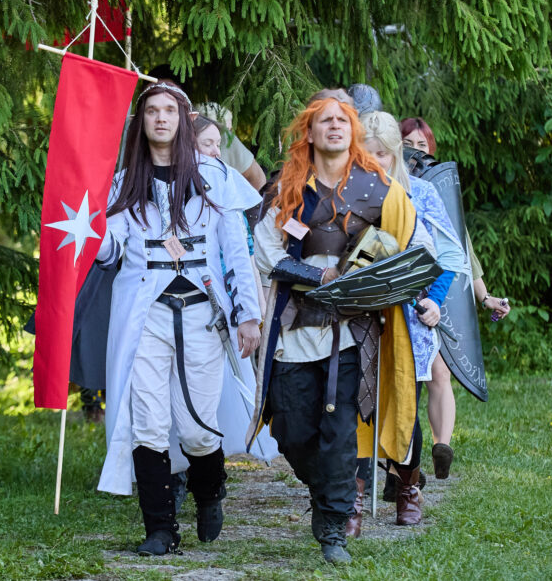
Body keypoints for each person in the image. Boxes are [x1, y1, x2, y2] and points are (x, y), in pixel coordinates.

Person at [249, 89, 431, 563]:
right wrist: (320, 278)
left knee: (338, 430)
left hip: (353, 332)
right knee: (290, 429)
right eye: (324, 120)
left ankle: (333, 527)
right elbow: (266, 251)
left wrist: (392, 285)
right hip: (296, 324)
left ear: (353, 131)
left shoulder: (381, 188)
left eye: (342, 120)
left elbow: (415, 247)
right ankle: (325, 491)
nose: (334, 126)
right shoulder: (287, 187)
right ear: (309, 132)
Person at [95, 80, 262, 556]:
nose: (161, 118)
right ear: (142, 121)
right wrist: (87, 229)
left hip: (201, 313)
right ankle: (160, 530)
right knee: (148, 422)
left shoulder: (214, 176)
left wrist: (248, 314)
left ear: (182, 120)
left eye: (169, 110)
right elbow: (110, 249)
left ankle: (210, 490)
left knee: (195, 426)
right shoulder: (124, 181)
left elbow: (236, 250)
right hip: (144, 315)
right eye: (152, 111)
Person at [359, 111, 464, 526]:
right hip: (358, 313)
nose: (373, 162)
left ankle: (408, 487)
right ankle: (353, 495)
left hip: (409, 315)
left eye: (381, 154)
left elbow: (448, 255)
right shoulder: (345, 191)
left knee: (405, 403)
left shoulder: (420, 193)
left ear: (395, 154)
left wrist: (434, 301)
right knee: (355, 405)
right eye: (365, 154)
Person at [398, 116, 511, 480]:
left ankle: (440, 445)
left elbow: (462, 252)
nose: (415, 151)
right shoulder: (389, 187)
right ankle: (401, 464)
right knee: (406, 378)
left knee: (439, 372)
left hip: (438, 292)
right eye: (408, 144)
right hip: (402, 290)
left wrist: (485, 297)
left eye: (422, 145)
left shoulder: (437, 193)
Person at [197, 102, 267, 190]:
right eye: (208, 144)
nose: (217, 152)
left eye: (218, 144)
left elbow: (257, 177)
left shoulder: (226, 139)